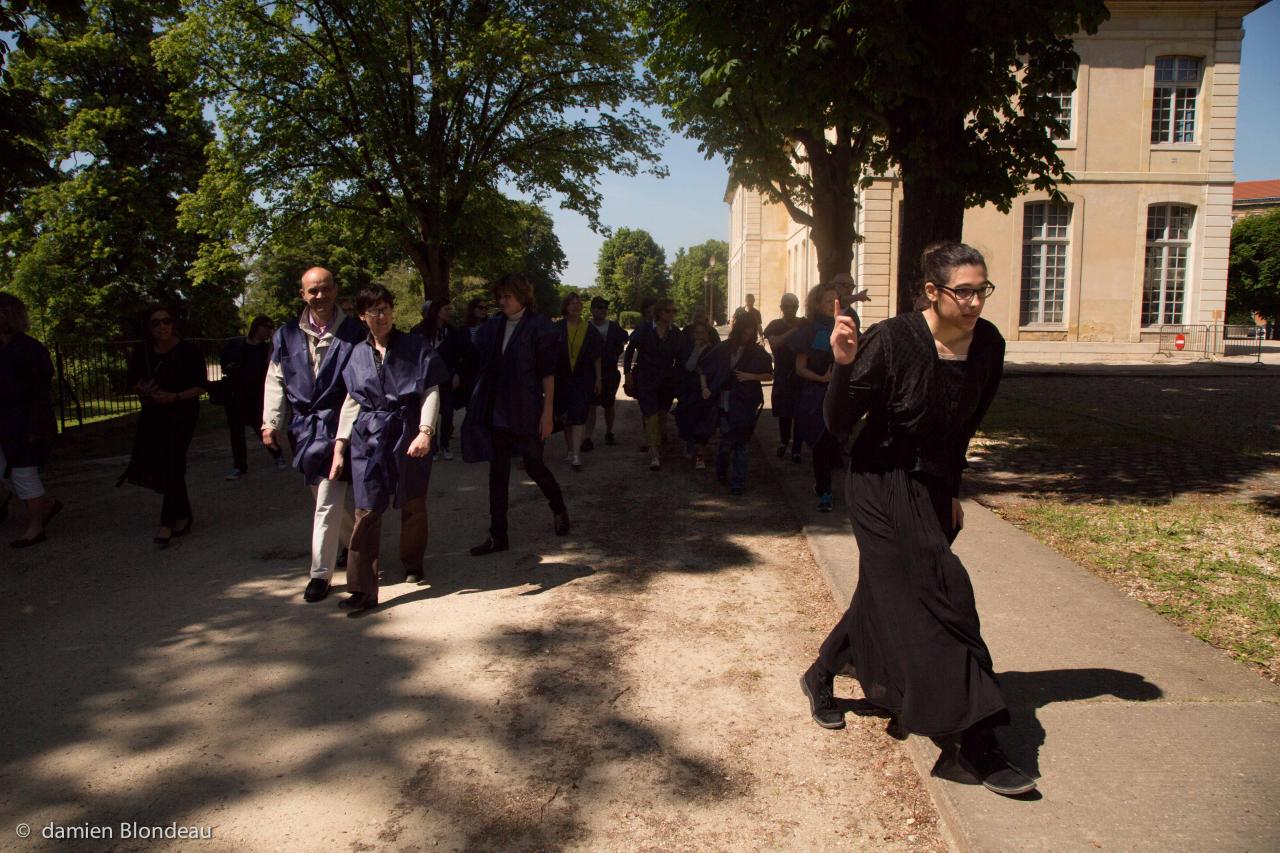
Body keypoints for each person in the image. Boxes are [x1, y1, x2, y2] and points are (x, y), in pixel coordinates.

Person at [799, 242, 1032, 797]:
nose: (976, 301)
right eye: (964, 291)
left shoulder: (988, 345)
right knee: (944, 594)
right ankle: (973, 741)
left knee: (886, 593)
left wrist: (952, 491)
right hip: (880, 482)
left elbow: (963, 427)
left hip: (931, 486)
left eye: (982, 290)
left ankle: (820, 674)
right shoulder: (893, 339)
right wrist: (844, 363)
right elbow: (837, 422)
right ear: (933, 291)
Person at [328, 284, 450, 613]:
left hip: (408, 431)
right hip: (368, 437)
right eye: (373, 311)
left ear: (392, 311)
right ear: (362, 316)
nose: (381, 316)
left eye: (385, 309)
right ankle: (362, 589)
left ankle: (412, 562)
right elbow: (351, 400)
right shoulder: (356, 353)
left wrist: (425, 431)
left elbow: (430, 390)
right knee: (366, 510)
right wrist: (340, 444)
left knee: (412, 501)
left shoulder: (415, 346)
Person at [262, 266, 365, 603]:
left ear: (335, 290)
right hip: (304, 430)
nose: (320, 296)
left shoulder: (354, 332)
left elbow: (361, 383)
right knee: (321, 496)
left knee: (326, 499)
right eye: (313, 291)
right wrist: (270, 422)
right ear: (303, 294)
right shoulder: (285, 334)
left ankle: (320, 574)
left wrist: (349, 431)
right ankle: (356, 543)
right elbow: (275, 379)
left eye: (325, 289)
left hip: (340, 426)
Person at [462, 273, 569, 556]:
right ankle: (498, 535)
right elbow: (476, 356)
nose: (502, 301)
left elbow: (549, 374)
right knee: (497, 474)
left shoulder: (540, 326)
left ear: (522, 296)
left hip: (527, 409)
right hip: (498, 410)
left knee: (534, 465)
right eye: (499, 297)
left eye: (507, 296)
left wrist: (548, 413)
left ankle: (558, 507)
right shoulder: (494, 326)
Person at [117, 305, 207, 546]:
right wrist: (143, 389)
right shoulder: (143, 352)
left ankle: (166, 522)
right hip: (154, 413)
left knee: (173, 460)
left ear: (173, 324)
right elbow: (134, 381)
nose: (162, 326)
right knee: (166, 462)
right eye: (155, 323)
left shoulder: (188, 351)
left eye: (166, 321)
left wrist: (174, 397)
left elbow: (200, 386)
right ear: (149, 328)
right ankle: (184, 514)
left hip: (182, 412)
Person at [787, 281, 856, 512]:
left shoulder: (848, 326)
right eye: (827, 301)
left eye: (836, 300)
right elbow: (800, 368)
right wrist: (822, 379)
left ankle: (827, 486)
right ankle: (825, 490)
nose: (832, 305)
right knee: (820, 444)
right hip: (816, 396)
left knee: (834, 444)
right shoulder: (808, 332)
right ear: (817, 304)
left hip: (841, 394)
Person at [0, 293, 61, 548]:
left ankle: (36, 526)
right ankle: (46, 504)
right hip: (3, 421)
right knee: (3, 472)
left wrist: (36, 425)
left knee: (24, 473)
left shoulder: (28, 348)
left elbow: (40, 389)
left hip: (24, 422)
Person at [704, 315, 773, 494]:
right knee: (727, 442)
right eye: (745, 333)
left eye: (750, 334)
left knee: (741, 444)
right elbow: (704, 367)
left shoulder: (757, 352)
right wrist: (706, 388)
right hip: (726, 401)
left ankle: (738, 483)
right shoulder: (724, 348)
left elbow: (769, 374)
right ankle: (722, 471)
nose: (747, 337)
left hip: (746, 402)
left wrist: (750, 376)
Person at [220, 316, 283, 479]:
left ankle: (277, 454)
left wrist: (273, 344)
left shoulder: (265, 349)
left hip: (256, 396)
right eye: (267, 327)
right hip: (236, 395)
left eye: (271, 328)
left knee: (262, 428)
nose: (269, 331)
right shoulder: (237, 345)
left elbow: (270, 367)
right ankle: (239, 466)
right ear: (257, 326)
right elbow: (225, 363)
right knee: (236, 433)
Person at [624, 298, 684, 471]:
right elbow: (629, 350)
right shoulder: (644, 328)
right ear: (660, 312)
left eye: (674, 311)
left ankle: (656, 443)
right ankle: (655, 455)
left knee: (662, 415)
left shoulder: (675, 334)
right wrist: (627, 373)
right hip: (646, 377)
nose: (672, 314)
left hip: (666, 378)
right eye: (669, 311)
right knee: (650, 414)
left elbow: (680, 358)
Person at [411, 299, 470, 461]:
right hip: (425, 379)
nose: (449, 312)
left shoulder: (452, 332)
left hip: (446, 378)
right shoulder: (418, 331)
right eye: (445, 309)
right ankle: (433, 446)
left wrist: (457, 373)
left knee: (448, 411)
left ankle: (445, 445)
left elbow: (460, 354)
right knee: (431, 413)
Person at [552, 292, 602, 470]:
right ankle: (570, 451)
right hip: (561, 378)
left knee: (580, 414)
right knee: (566, 416)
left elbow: (597, 356)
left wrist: (598, 379)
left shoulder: (590, 330)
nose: (575, 305)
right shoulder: (556, 328)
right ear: (565, 307)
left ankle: (576, 455)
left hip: (583, 378)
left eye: (578, 302)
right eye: (571, 303)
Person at [583, 296, 629, 449]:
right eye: (599, 307)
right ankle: (587, 437)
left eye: (605, 308)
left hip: (610, 371)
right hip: (589, 372)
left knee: (609, 404)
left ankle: (609, 432)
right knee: (591, 406)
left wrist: (618, 348)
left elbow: (625, 337)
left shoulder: (613, 326)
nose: (603, 310)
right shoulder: (585, 327)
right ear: (592, 310)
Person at [672, 320, 719, 470]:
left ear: (708, 334)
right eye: (697, 333)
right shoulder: (689, 349)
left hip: (706, 393)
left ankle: (700, 454)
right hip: (690, 391)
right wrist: (696, 351)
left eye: (702, 333)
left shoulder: (714, 350)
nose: (699, 335)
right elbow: (689, 366)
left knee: (704, 424)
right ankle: (689, 444)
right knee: (687, 420)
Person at [763, 293, 804, 463]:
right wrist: (795, 329)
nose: (790, 309)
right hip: (782, 372)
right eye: (786, 306)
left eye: (793, 306)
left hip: (801, 373)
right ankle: (784, 441)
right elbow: (775, 343)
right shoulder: (775, 325)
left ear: (797, 307)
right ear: (781, 308)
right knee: (784, 412)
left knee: (800, 412)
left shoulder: (805, 323)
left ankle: (797, 448)